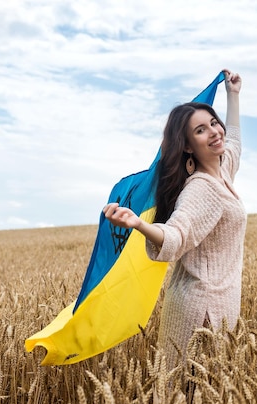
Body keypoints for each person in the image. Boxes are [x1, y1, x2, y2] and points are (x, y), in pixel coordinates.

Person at [102, 69, 245, 373]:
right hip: (201, 309)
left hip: (219, 304)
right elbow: (176, 236)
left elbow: (233, 142)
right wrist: (138, 224)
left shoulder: (222, 172)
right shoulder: (202, 189)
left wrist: (233, 95)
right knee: (189, 395)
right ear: (187, 146)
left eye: (213, 123)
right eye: (201, 130)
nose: (215, 131)